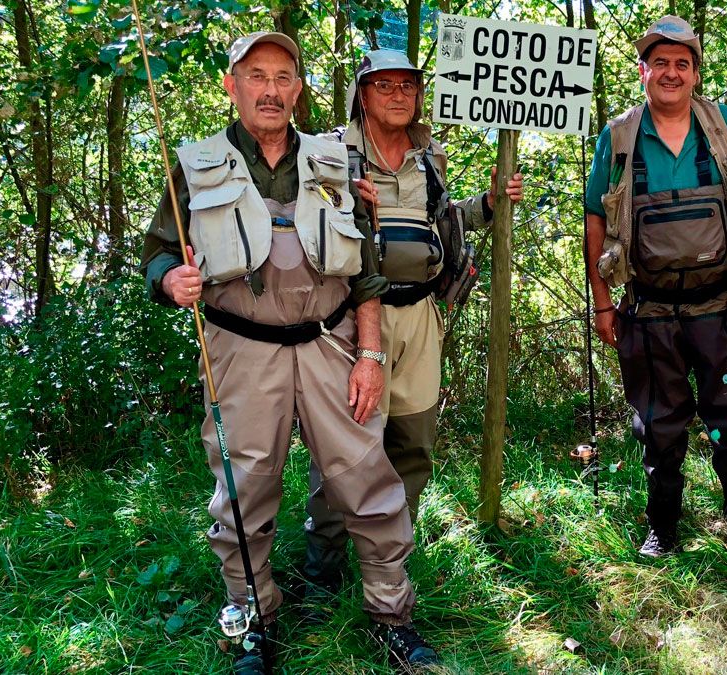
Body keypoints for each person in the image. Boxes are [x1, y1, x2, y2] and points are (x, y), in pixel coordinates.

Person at [139, 32, 437, 671]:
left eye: (282, 77)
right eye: (256, 76)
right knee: (244, 490)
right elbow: (158, 252)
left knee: (368, 480)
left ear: (298, 90)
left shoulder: (336, 162)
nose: (270, 90)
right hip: (241, 353)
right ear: (232, 86)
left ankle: (392, 614)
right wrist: (170, 279)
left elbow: (367, 273)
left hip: (332, 342)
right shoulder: (193, 165)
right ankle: (254, 622)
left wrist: (371, 354)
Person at [301, 49, 523, 604]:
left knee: (412, 440)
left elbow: (444, 220)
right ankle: (324, 565)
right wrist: (343, 200)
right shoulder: (330, 153)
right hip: (350, 319)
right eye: (384, 86)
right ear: (362, 94)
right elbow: (298, 224)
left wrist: (490, 202)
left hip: (421, 315)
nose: (399, 95)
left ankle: (391, 558)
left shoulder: (430, 158)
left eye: (408, 86)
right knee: (343, 446)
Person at [585, 16, 727, 561]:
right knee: (660, 425)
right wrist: (602, 301)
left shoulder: (723, 125)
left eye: (683, 64)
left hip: (723, 306)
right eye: (661, 63)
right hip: (647, 311)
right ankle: (663, 529)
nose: (672, 73)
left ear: (695, 74)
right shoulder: (619, 136)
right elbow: (595, 220)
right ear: (643, 70)